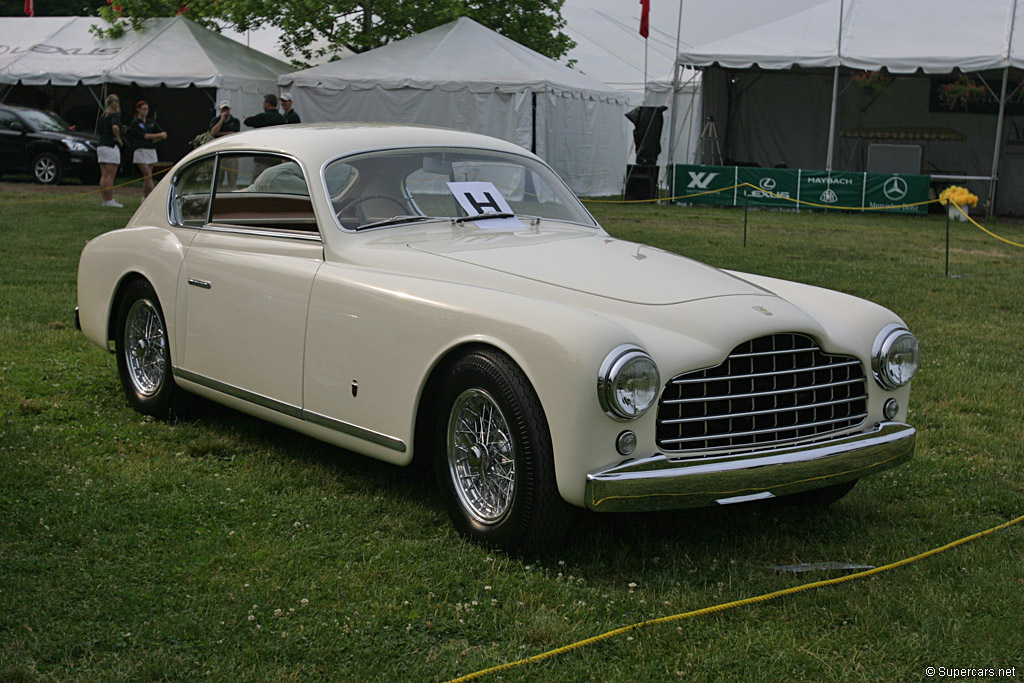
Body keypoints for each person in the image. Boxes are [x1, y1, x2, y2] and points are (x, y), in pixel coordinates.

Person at [127, 101, 167, 199]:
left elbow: (162, 134)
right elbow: (144, 136)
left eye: (147, 109)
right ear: (138, 110)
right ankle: (154, 196)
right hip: (140, 150)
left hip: (151, 150)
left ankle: (145, 197)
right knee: (147, 174)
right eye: (143, 109)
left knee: (148, 176)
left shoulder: (150, 122)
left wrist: (157, 138)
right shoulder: (135, 123)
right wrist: (158, 135)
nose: (145, 111)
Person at [97, 93, 123, 208]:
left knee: (104, 175)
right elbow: (115, 127)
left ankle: (105, 199)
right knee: (110, 176)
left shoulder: (103, 115)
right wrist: (118, 138)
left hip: (101, 145)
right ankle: (109, 199)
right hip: (110, 146)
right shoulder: (115, 114)